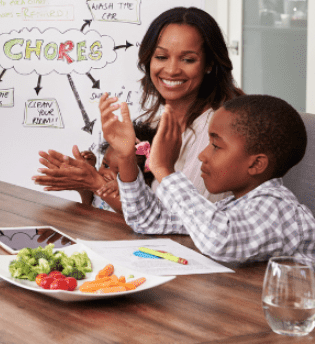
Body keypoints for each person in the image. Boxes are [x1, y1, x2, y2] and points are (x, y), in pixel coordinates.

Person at [33, 7, 243, 203]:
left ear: (209, 64)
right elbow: (146, 207)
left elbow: (178, 219)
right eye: (161, 57)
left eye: (188, 60)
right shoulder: (161, 121)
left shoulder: (213, 129)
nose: (171, 70)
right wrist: (88, 180)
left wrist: (94, 183)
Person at [100, 93, 315, 263]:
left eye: (215, 146)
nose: (203, 155)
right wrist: (127, 157)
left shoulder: (279, 209)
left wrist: (165, 170)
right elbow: (147, 220)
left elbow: (220, 240)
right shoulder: (231, 209)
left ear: (256, 164)